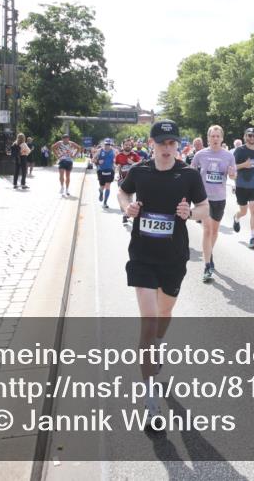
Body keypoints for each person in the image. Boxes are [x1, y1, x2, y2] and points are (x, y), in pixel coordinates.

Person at [117, 119, 208, 420]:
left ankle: (156, 345)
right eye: (161, 143)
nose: (167, 149)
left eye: (172, 143)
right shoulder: (139, 171)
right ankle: (150, 401)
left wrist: (191, 213)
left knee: (164, 315)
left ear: (177, 145)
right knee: (149, 320)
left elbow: (205, 208)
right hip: (142, 256)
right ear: (152, 143)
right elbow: (122, 192)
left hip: (173, 258)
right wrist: (126, 208)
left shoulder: (189, 174)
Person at [191, 125, 237, 282]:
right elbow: (191, 170)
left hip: (220, 198)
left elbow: (233, 175)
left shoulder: (228, 156)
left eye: (218, 136)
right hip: (204, 199)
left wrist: (232, 174)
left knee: (215, 231)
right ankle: (207, 265)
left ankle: (209, 253)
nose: (215, 139)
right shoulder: (200, 154)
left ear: (222, 138)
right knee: (207, 230)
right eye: (213, 136)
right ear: (208, 138)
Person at [231, 127, 254, 250]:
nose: (251, 138)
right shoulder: (239, 150)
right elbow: (232, 167)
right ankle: (236, 217)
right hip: (241, 186)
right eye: (249, 135)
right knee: (244, 211)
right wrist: (244, 165)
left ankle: (252, 237)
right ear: (245, 136)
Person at [95, 138, 118, 208]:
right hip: (101, 170)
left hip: (110, 170)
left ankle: (105, 202)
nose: (107, 146)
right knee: (102, 186)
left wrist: (115, 162)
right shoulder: (99, 151)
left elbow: (117, 159)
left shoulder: (114, 151)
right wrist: (98, 161)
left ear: (110, 145)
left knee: (108, 186)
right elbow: (93, 159)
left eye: (108, 144)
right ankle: (101, 191)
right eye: (106, 144)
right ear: (104, 144)